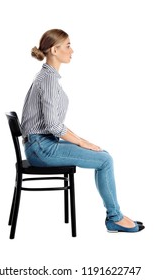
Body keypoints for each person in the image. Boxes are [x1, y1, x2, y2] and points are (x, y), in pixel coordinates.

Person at [21, 29, 144, 233]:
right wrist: (80, 143)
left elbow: (54, 125)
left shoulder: (46, 76)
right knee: (105, 160)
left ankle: (115, 216)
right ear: (54, 49)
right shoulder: (48, 80)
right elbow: (53, 125)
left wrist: (83, 140)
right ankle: (115, 218)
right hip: (42, 149)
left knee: (102, 154)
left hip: (41, 145)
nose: (72, 50)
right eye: (68, 45)